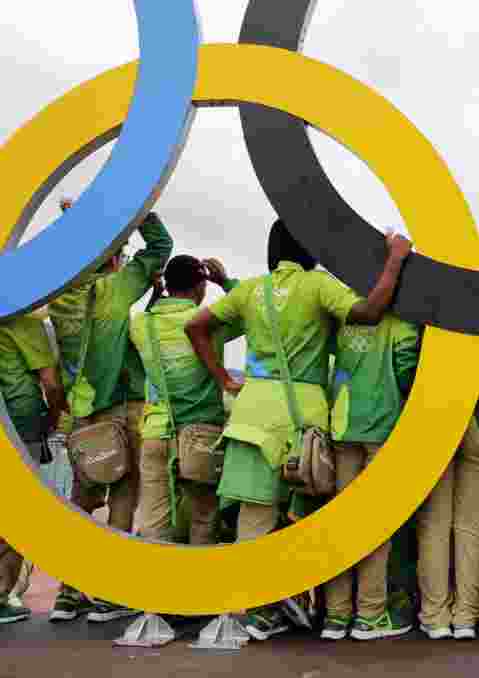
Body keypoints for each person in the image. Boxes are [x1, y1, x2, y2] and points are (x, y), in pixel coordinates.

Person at [185, 220, 411, 641]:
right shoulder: (317, 286)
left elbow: (196, 325)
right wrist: (394, 261)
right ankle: (327, 609)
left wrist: (222, 377)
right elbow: (368, 312)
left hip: (251, 413)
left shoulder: (252, 289)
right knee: (307, 518)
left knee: (254, 520)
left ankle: (252, 611)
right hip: (303, 416)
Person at [47, 204, 173, 623]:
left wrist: (76, 221)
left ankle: (68, 592)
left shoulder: (60, 295)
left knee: (80, 502)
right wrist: (138, 210)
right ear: (115, 256)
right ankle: (109, 590)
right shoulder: (116, 288)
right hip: (122, 407)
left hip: (80, 413)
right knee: (124, 494)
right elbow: (161, 245)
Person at [308, 311, 421, 641]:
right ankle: (369, 614)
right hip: (381, 426)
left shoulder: (342, 312)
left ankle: (336, 615)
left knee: (341, 521)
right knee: (374, 524)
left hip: (342, 425)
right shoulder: (400, 321)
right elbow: (405, 371)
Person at [129, 256, 242, 547]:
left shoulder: (141, 324)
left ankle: (155, 589)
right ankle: (197, 589)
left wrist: (154, 295)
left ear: (167, 284)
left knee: (154, 523)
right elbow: (251, 313)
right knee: (204, 519)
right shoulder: (208, 322)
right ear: (201, 285)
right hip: (201, 434)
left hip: (156, 431)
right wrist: (226, 282)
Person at [416, 338, 479, 641]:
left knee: (435, 523)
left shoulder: (427, 302)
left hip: (435, 410)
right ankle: (466, 618)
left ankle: (436, 618)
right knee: (472, 525)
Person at [0, 309, 68, 624]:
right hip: (20, 425)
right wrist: (52, 419)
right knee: (16, 514)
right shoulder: (24, 323)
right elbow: (51, 384)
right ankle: (1, 596)